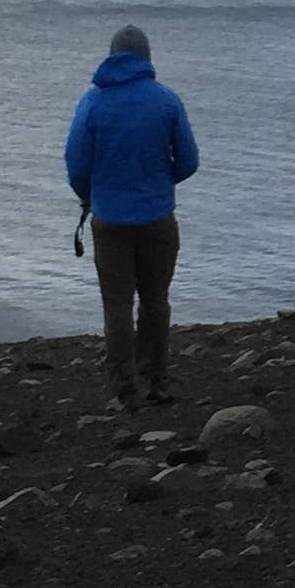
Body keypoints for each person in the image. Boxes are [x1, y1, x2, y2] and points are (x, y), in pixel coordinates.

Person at [63, 23, 198, 408]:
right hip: (157, 216)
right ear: (147, 57)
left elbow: (76, 163)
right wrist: (159, 181)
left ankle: (124, 388)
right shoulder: (166, 100)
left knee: (117, 303)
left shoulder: (93, 101)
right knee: (156, 298)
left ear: (111, 56)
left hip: (109, 219)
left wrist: (89, 196)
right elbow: (188, 161)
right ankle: (156, 380)